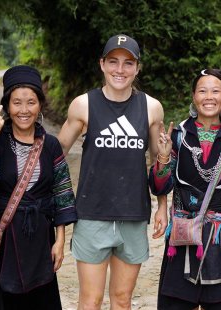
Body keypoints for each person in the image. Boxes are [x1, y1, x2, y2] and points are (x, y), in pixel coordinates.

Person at [57, 34, 165, 309]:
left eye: (128, 63)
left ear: (137, 68)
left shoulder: (151, 108)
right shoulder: (83, 105)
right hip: (92, 214)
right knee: (90, 301)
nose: (120, 70)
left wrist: (162, 206)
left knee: (122, 299)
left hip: (133, 215)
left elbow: (159, 165)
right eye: (113, 62)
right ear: (102, 64)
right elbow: (55, 156)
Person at [0, 65, 77, 309]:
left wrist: (59, 241)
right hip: (2, 240)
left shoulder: (50, 146)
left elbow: (62, 194)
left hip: (40, 240)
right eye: (17, 103)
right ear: (7, 106)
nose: (24, 110)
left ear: (39, 105)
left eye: (31, 102)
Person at [150, 68, 221, 310]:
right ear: (193, 96)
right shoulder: (178, 136)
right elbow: (160, 185)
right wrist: (164, 158)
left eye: (216, 91)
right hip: (182, 236)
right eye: (202, 91)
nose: (209, 97)